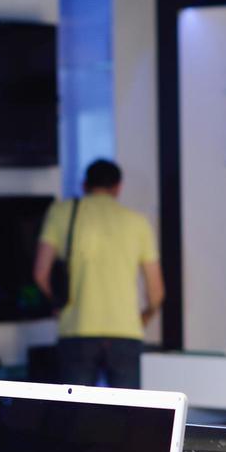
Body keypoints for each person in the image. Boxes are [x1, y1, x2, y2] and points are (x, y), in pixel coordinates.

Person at [33, 159, 163, 389]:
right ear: (118, 187)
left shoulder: (62, 213)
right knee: (128, 414)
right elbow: (156, 293)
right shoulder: (137, 222)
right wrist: (144, 317)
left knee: (77, 413)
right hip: (126, 331)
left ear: (85, 185)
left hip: (77, 327)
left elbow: (40, 273)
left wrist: (58, 304)